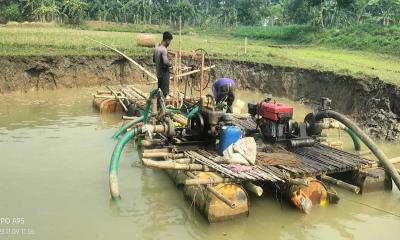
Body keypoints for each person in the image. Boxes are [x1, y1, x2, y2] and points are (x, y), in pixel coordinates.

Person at [153, 31, 173, 97]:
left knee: (159, 92)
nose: (169, 43)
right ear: (167, 40)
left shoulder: (156, 48)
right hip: (164, 74)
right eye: (170, 41)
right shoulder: (164, 49)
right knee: (164, 94)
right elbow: (165, 62)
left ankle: (158, 106)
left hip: (159, 74)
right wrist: (171, 64)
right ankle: (164, 106)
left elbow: (154, 60)